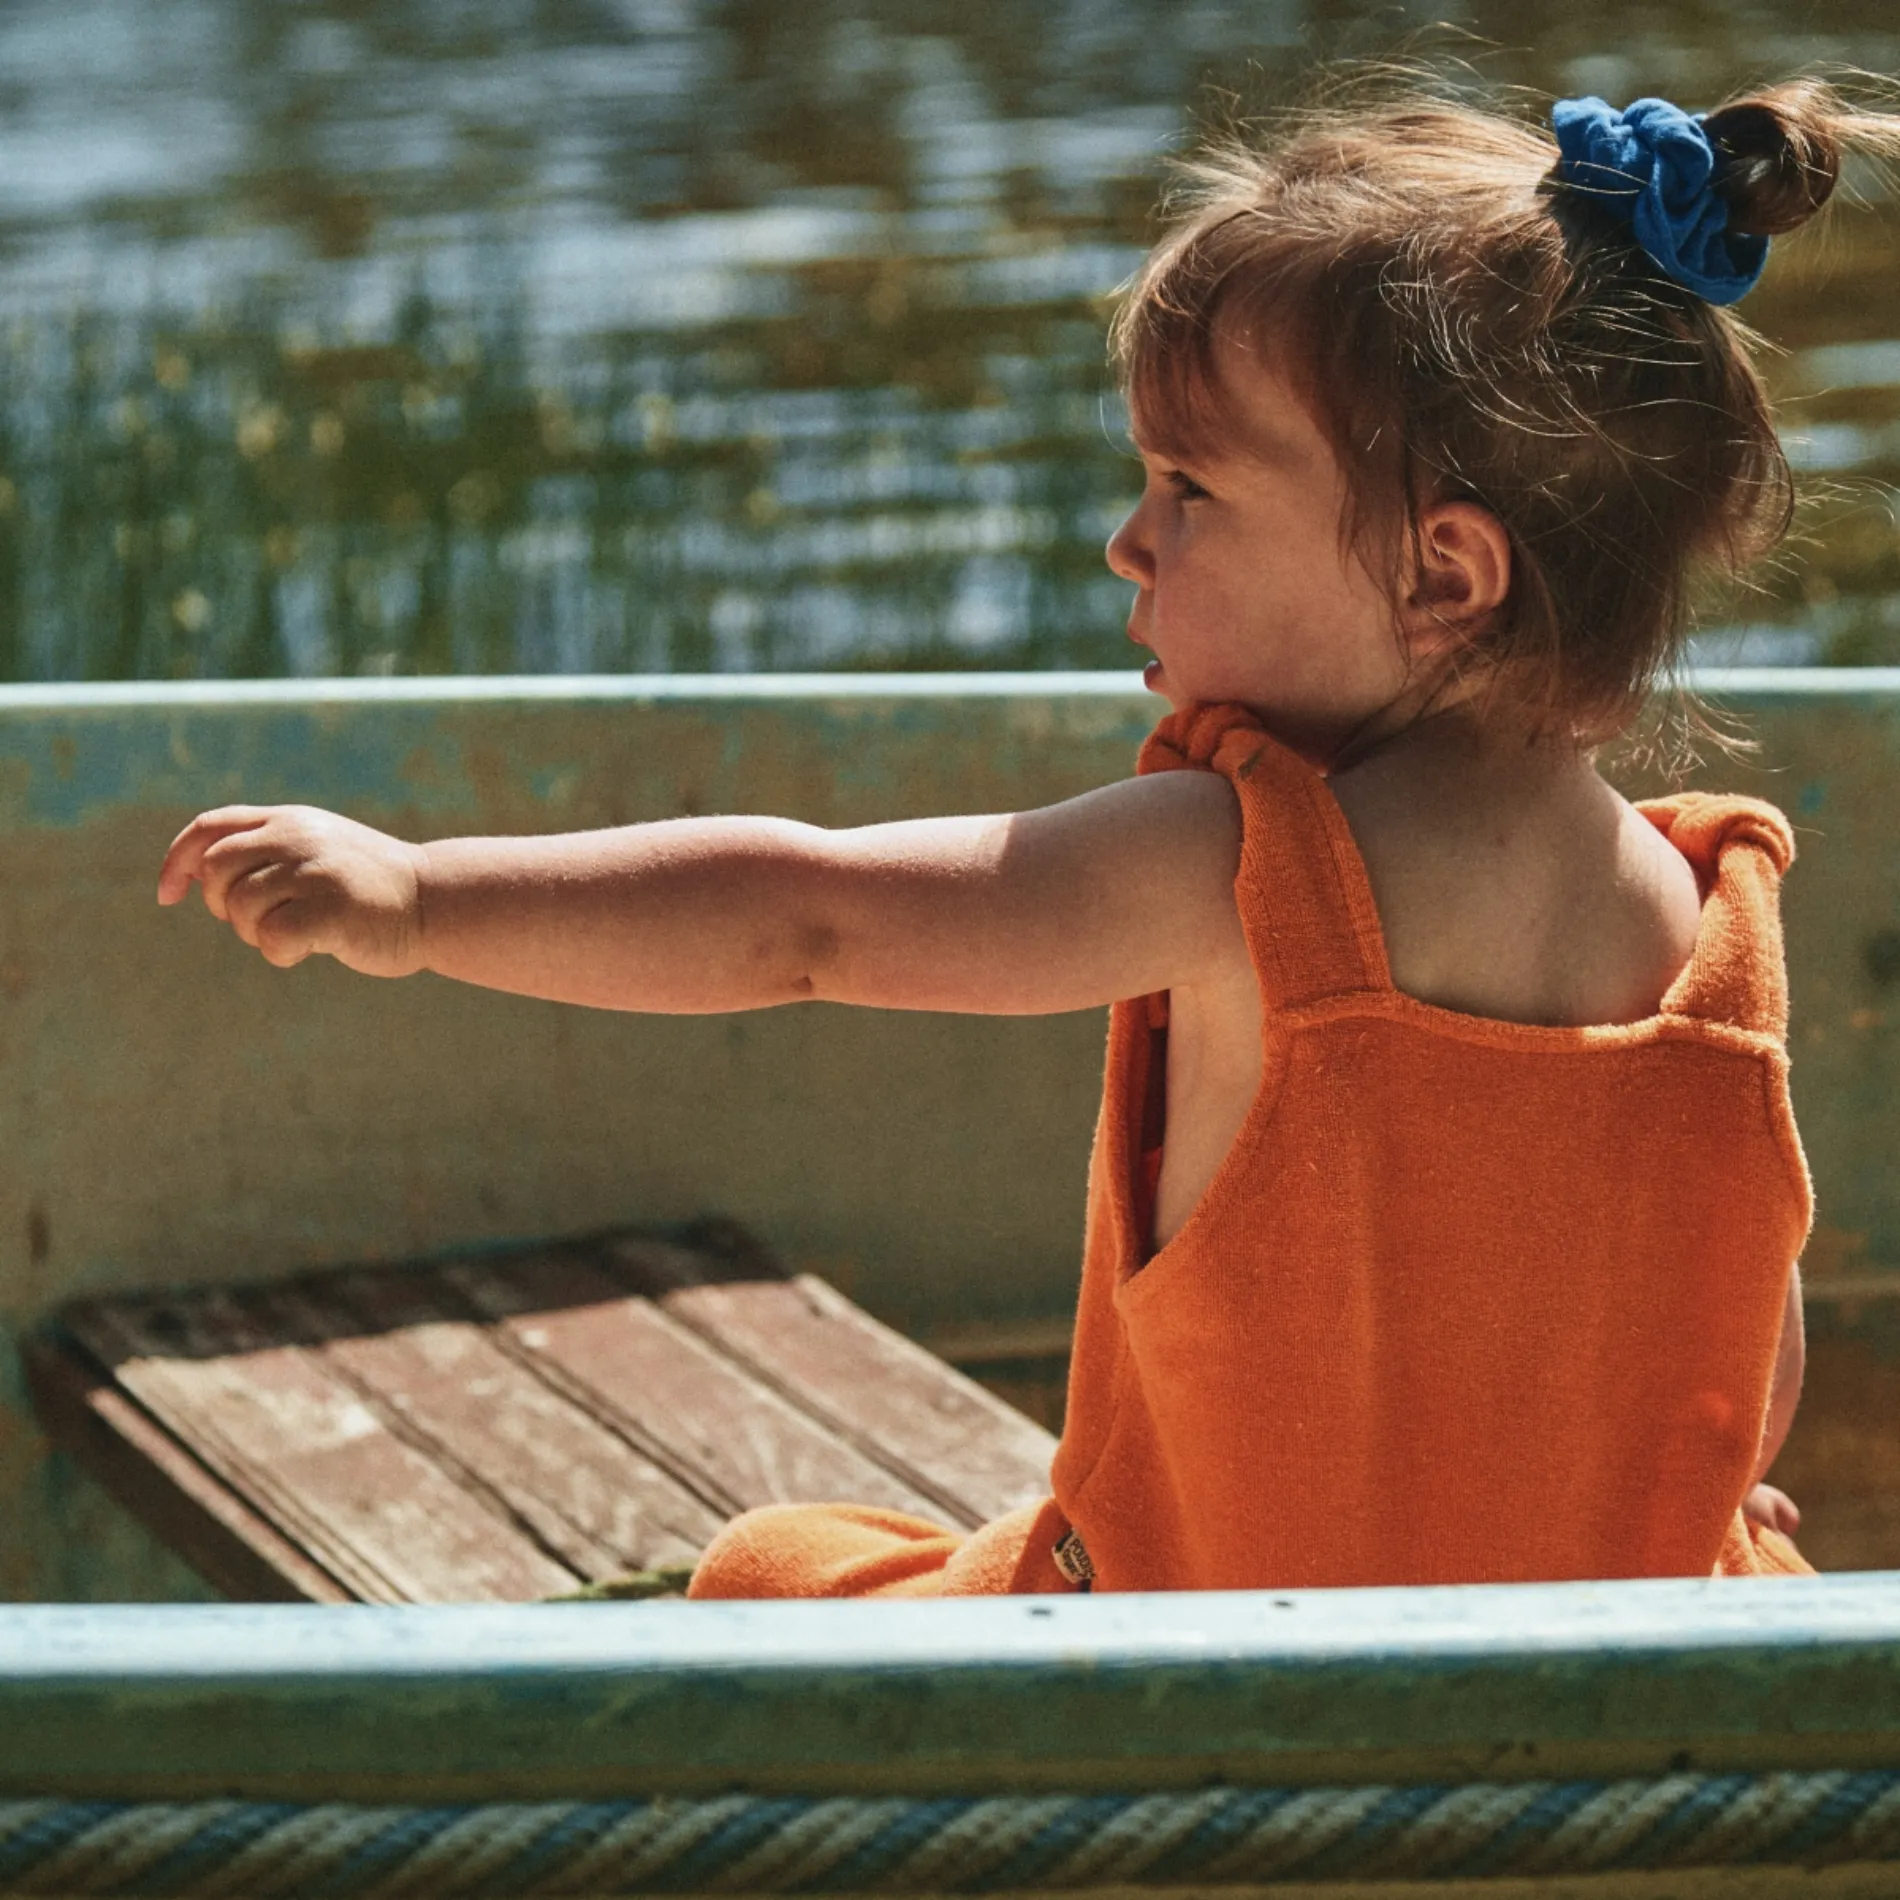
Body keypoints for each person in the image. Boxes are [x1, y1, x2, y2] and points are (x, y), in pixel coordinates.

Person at [158, 73, 1889, 1596]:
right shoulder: (1699, 914)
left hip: (1219, 1688)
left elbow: (806, 920)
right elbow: (1756, 1354)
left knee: (770, 1573)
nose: (1130, 546)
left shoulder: (1239, 867)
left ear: (1446, 572)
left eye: (1191, 492)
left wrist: (417, 894)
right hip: (1584, 1696)